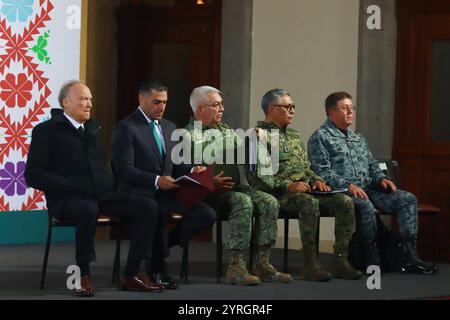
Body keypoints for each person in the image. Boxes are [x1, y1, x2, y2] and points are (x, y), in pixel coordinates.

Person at [25, 80, 165, 297]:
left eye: (90, 99)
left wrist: (116, 187)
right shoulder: (46, 131)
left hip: (101, 195)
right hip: (67, 200)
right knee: (88, 210)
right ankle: (83, 274)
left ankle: (133, 272)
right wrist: (69, 184)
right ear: (66, 103)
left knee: (148, 206)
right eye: (83, 99)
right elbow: (33, 175)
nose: (89, 104)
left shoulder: (93, 128)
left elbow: (102, 167)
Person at [308, 91, 437, 275]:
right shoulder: (320, 137)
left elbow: (372, 165)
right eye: (345, 108)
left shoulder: (358, 138)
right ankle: (371, 256)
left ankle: (409, 256)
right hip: (341, 192)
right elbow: (321, 171)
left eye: (352, 108)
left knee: (407, 199)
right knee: (364, 204)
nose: (350, 112)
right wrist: (348, 186)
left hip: (368, 188)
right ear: (331, 112)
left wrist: (381, 178)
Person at [111, 81, 217, 289]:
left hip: (168, 192)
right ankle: (158, 268)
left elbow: (175, 165)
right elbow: (123, 170)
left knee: (207, 215)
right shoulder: (126, 128)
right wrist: (156, 180)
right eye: (156, 102)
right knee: (156, 211)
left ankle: (157, 250)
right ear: (141, 100)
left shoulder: (169, 127)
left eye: (165, 103)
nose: (161, 107)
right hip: (139, 193)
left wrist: (192, 170)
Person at [249, 88, 361, 281]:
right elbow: (258, 178)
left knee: (343, 201)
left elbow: (306, 167)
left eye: (293, 106)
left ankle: (340, 261)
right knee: (308, 203)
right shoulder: (256, 137)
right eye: (287, 107)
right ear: (271, 109)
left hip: (304, 191)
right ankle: (311, 264)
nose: (292, 110)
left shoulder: (293, 135)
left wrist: (316, 179)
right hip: (278, 195)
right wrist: (288, 185)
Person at [184, 86, 292, 285]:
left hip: (232, 189)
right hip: (210, 195)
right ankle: (236, 266)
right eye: (216, 105)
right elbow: (191, 171)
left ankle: (262, 263)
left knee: (269, 202)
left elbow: (241, 148)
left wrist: (252, 137)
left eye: (222, 104)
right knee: (243, 202)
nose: (222, 109)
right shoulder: (189, 135)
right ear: (200, 109)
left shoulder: (224, 129)